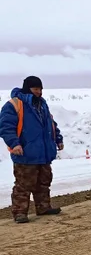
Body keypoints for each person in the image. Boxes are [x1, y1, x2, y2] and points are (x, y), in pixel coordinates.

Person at [0, 76, 64, 223]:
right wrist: (14, 144)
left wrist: (58, 139)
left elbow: (51, 124)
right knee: (24, 184)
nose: (39, 92)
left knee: (44, 181)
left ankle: (43, 207)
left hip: (43, 152)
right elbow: (5, 127)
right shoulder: (13, 105)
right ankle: (20, 213)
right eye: (36, 89)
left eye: (41, 89)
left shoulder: (42, 104)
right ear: (27, 89)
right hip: (25, 153)